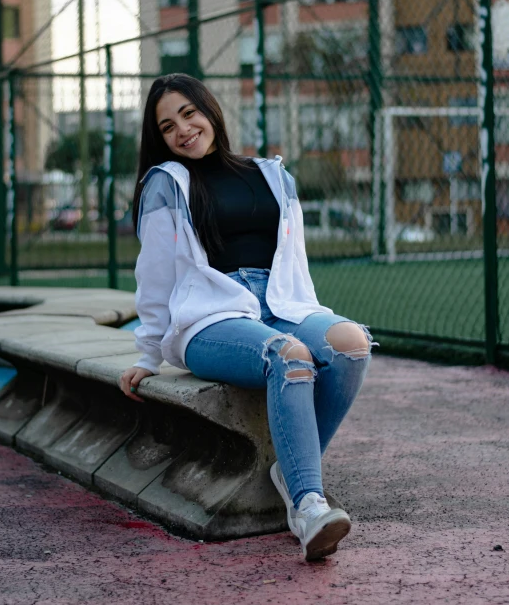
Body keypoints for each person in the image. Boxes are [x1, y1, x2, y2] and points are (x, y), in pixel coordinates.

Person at [120, 73, 373, 561]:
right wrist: (149, 354)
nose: (183, 130)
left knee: (350, 342)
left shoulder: (273, 175)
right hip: (210, 318)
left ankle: (292, 470)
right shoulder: (167, 185)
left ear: (209, 109)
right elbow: (153, 276)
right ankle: (307, 505)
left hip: (280, 305)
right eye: (167, 126)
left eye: (189, 114)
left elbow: (294, 261)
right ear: (161, 138)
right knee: (287, 356)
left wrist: (309, 314)